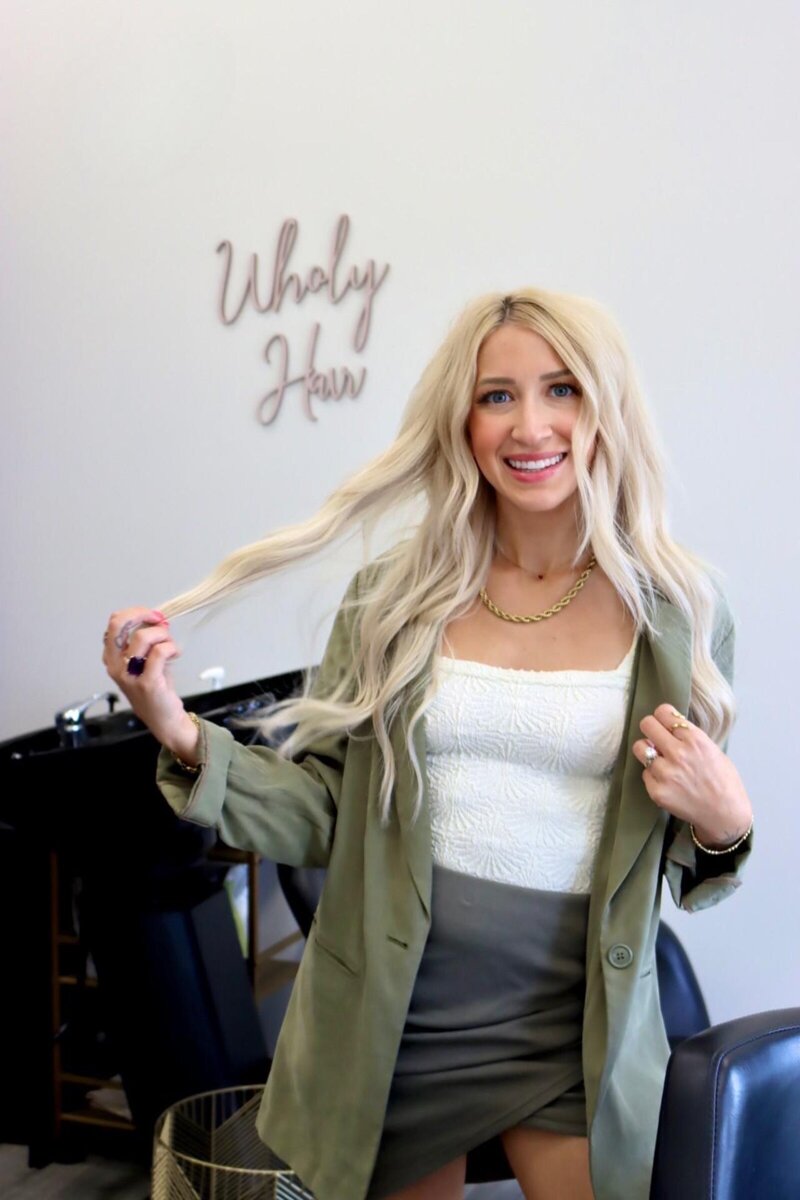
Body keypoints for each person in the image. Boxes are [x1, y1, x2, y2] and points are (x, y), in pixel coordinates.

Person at [102, 288, 754, 1200]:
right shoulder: (390, 601)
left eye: (561, 389)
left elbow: (687, 857)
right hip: (396, 1023)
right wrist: (174, 726)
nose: (530, 426)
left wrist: (727, 824)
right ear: (462, 419)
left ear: (605, 408)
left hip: (575, 1031)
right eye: (497, 396)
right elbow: (326, 812)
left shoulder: (679, 614)